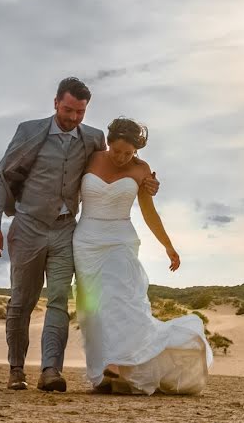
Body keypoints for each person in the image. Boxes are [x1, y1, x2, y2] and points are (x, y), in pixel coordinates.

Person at [0, 78, 159, 391]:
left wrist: (146, 183)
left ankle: (51, 371)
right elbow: (2, 174)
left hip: (66, 230)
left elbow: (116, 166)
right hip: (28, 227)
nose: (74, 117)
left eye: (80, 111)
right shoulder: (29, 130)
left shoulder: (93, 139)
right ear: (55, 103)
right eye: (68, 109)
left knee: (59, 300)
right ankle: (16, 369)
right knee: (21, 301)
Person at [73, 117, 212, 394]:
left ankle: (116, 366)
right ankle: (102, 374)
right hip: (86, 241)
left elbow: (149, 213)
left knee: (120, 299)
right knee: (93, 310)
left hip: (120, 242)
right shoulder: (89, 158)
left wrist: (168, 245)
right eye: (118, 151)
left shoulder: (141, 170)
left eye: (129, 153)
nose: (123, 158)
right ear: (108, 143)